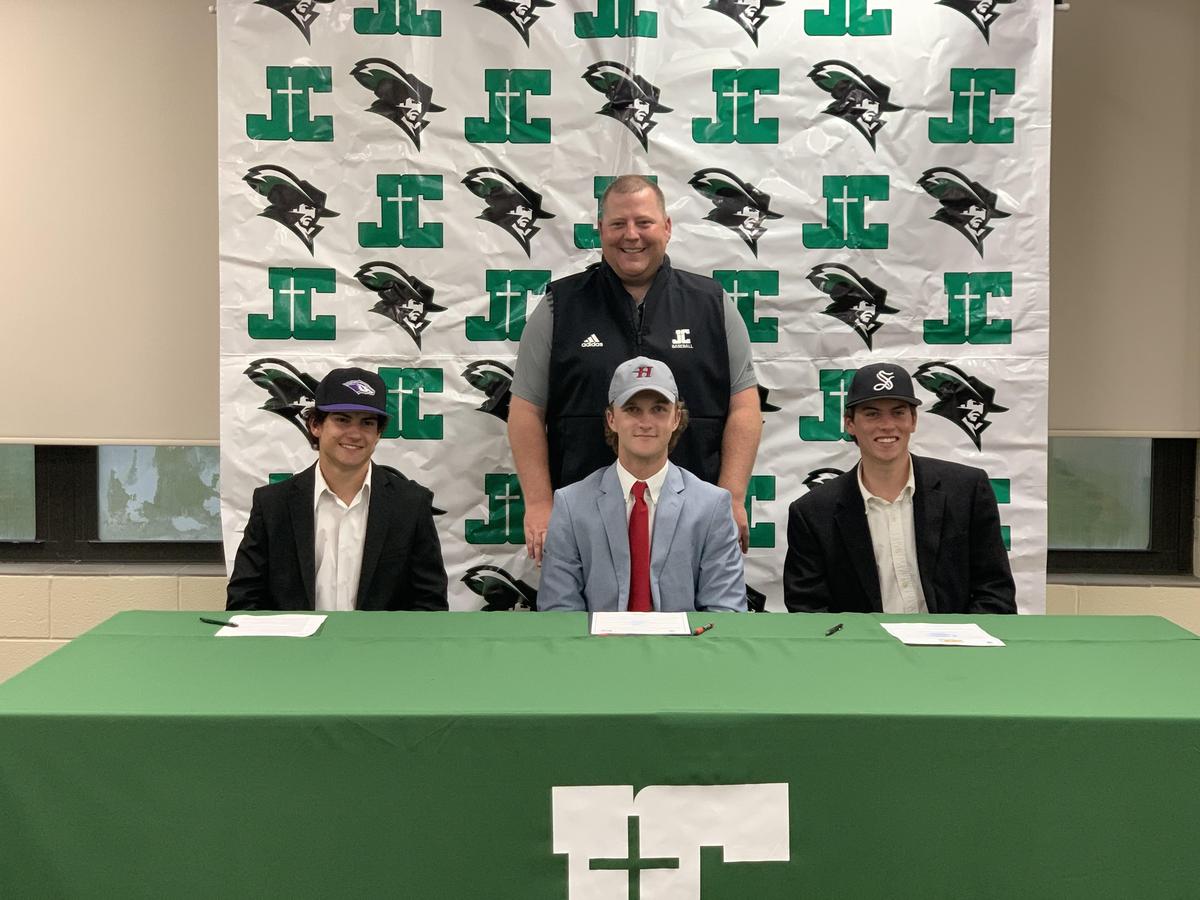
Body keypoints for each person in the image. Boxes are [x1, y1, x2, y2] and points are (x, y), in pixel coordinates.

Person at [509, 174, 761, 563]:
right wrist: (540, 502)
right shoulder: (559, 307)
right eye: (617, 224)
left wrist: (732, 496)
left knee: (699, 622)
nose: (631, 235)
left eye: (643, 222)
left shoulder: (713, 305)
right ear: (600, 230)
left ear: (667, 227)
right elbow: (526, 411)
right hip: (584, 525)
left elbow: (744, 407)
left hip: (693, 521)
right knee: (583, 624)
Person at [783, 362, 1016, 615]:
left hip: (953, 647)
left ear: (913, 420)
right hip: (862, 650)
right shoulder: (813, 513)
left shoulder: (967, 490)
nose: (887, 425)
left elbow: (996, 593)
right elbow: (807, 610)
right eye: (872, 414)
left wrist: (958, 644)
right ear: (850, 424)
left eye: (898, 413)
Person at [227, 366, 448, 612]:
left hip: (380, 649)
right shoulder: (272, 505)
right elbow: (244, 602)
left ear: (378, 434)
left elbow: (431, 605)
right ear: (315, 425)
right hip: (293, 649)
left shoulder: (410, 505)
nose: (355, 433)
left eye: (367, 423)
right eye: (342, 419)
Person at [538, 357, 746, 613]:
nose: (646, 423)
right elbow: (559, 609)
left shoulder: (712, 506)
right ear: (611, 418)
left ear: (676, 418)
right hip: (597, 651)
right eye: (632, 409)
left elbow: (725, 610)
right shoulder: (571, 505)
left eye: (659, 409)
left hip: (684, 651)